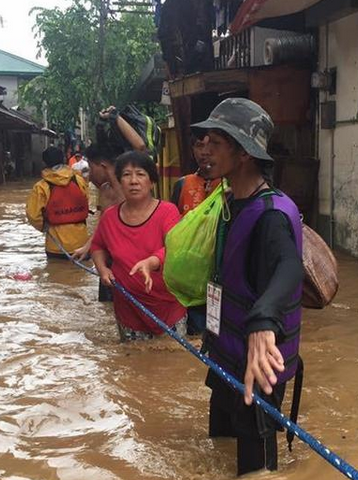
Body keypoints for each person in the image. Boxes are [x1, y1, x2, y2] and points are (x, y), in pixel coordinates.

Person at [192, 98, 305, 476]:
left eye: (216, 143)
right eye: (203, 140)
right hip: (226, 351)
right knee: (219, 447)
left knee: (254, 467)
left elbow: (290, 268)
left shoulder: (269, 215)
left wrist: (262, 320)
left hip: (256, 360)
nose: (203, 149)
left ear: (243, 154)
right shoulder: (230, 201)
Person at [89, 151, 186, 341]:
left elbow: (176, 248)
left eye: (140, 174)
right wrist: (102, 269)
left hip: (168, 308)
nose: (133, 181)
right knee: (133, 367)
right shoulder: (109, 217)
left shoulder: (168, 212)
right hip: (128, 312)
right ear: (119, 181)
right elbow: (97, 246)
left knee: (171, 364)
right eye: (126, 175)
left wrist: (151, 262)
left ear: (151, 181)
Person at [169, 134, 223, 335]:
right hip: (190, 276)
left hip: (219, 274)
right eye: (199, 145)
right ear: (193, 150)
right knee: (194, 331)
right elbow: (173, 231)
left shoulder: (231, 187)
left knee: (216, 332)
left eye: (211, 145)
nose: (205, 152)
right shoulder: (183, 184)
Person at [72, 142, 126, 302]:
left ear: (102, 166)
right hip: (107, 263)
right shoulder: (105, 190)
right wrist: (87, 247)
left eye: (90, 168)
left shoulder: (131, 190)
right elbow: (103, 225)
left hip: (126, 262)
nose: (89, 175)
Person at [26, 147, 90, 259]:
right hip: (81, 243)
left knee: (56, 274)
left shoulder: (41, 187)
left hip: (55, 246)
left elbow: (33, 215)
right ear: (64, 159)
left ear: (44, 163)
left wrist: (45, 227)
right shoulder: (79, 180)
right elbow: (86, 200)